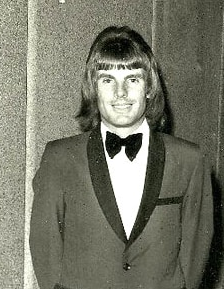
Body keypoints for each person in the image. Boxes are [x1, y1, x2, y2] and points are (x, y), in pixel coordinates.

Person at [30, 26, 213, 289]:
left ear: (149, 88)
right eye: (108, 80)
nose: (121, 93)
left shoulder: (189, 161)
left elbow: (195, 253)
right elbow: (44, 248)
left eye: (133, 79)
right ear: (93, 89)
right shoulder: (59, 159)